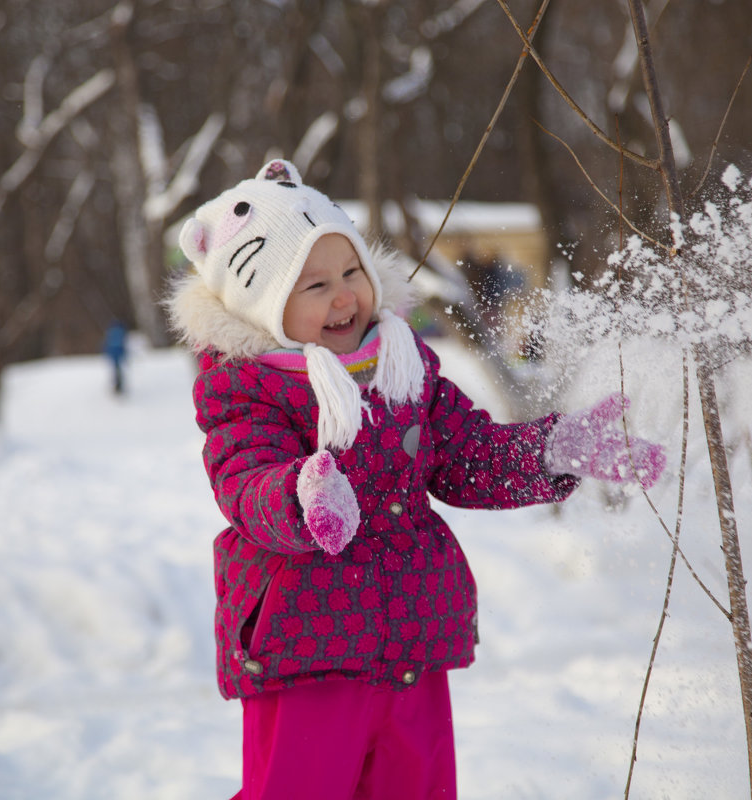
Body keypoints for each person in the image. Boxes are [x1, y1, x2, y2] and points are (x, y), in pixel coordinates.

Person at [167, 159, 666, 799]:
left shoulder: (403, 365)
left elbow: (468, 455)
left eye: (352, 272)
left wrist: (552, 450)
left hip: (410, 639)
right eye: (312, 285)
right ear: (262, 306)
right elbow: (245, 481)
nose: (345, 296)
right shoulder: (246, 388)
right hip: (307, 648)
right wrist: (301, 494)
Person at [103, 320, 128, 395]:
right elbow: (122, 344)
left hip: (113, 354)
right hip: (118, 354)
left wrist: (107, 352)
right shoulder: (121, 332)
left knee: (116, 369)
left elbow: (106, 343)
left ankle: (118, 385)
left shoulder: (110, 332)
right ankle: (119, 385)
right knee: (118, 369)